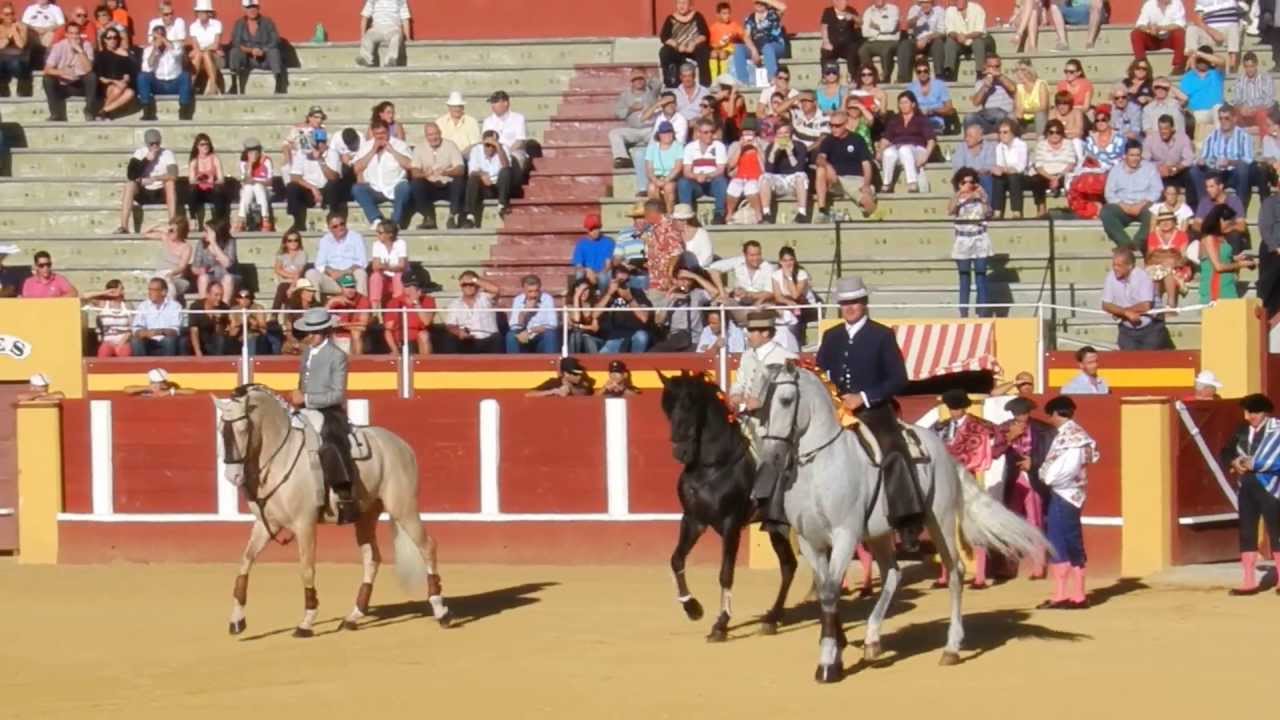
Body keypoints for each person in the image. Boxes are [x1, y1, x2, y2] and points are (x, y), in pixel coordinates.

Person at [816, 276, 922, 543]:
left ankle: (906, 519)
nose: (850, 307)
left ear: (864, 303)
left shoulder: (881, 334)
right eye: (845, 303)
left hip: (874, 411)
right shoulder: (831, 336)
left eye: (855, 302)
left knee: (894, 451)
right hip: (836, 411)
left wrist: (863, 397)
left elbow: (899, 378)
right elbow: (819, 373)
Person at [288, 308, 358, 523]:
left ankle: (345, 497)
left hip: (329, 412)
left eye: (315, 332)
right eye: (309, 332)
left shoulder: (337, 356)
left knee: (332, 442)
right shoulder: (307, 352)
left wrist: (306, 399)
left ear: (325, 332)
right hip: (303, 409)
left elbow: (337, 394)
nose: (310, 336)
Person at [730, 311, 797, 528]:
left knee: (770, 459)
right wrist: (735, 395)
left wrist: (763, 402)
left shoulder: (786, 357)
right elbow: (739, 383)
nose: (748, 335)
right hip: (745, 419)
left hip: (772, 424)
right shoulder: (748, 355)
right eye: (749, 330)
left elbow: (790, 396)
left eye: (752, 331)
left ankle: (763, 503)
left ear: (766, 333)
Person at [932, 388, 997, 588]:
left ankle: (980, 575)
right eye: (951, 408)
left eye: (957, 408)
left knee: (974, 526)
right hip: (944, 481)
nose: (954, 412)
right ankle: (945, 573)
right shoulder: (940, 427)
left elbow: (997, 441)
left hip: (968, 480)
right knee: (943, 526)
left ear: (965, 407)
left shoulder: (979, 426)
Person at [1038, 395, 1097, 610]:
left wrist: (1048, 478)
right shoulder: (1071, 435)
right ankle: (1062, 594)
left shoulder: (1074, 438)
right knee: (1058, 541)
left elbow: (1067, 469)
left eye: (1051, 415)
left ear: (1055, 414)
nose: (1050, 419)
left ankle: (1078, 596)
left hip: (1067, 494)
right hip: (1065, 494)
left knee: (1069, 541)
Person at [1221, 394, 1280, 594]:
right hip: (1246, 485)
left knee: (1277, 531)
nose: (1248, 416)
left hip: (1272, 485)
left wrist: (1258, 464)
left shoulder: (1277, 429)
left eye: (1253, 412)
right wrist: (1234, 462)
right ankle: (1248, 580)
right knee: (1247, 531)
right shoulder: (1242, 430)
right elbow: (1226, 451)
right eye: (1246, 412)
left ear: (1264, 412)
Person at [992, 396, 1055, 579]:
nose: (1022, 416)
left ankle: (1039, 565)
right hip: (1014, 478)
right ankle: (1010, 565)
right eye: (1018, 413)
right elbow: (995, 453)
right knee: (1012, 521)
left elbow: (1051, 455)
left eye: (1025, 412)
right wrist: (1010, 438)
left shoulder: (1043, 429)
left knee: (1035, 521)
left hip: (1034, 477)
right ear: (1012, 414)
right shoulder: (1004, 428)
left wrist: (1033, 462)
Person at [1101, 246, 1170, 350]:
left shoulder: (1143, 277)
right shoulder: (1110, 277)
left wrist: (1121, 312)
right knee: (1128, 362)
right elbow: (1106, 304)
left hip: (1151, 328)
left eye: (1119, 265)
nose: (1115, 268)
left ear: (1130, 266)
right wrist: (1125, 313)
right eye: (1114, 265)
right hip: (1126, 329)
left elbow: (1145, 306)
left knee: (1150, 362)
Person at [814, 109, 877, 220]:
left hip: (855, 179)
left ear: (846, 124)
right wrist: (828, 166)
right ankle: (822, 211)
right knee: (821, 169)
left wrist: (866, 185)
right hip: (836, 181)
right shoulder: (828, 140)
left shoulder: (857, 139)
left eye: (837, 126)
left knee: (868, 203)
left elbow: (866, 164)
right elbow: (820, 158)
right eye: (831, 125)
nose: (833, 128)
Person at [1192, 104, 1256, 210]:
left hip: (1235, 173)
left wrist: (1230, 162)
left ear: (1234, 119)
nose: (1223, 121)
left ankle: (1240, 210)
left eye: (1227, 118)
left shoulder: (1244, 136)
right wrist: (1201, 161)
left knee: (1243, 168)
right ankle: (1205, 208)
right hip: (1216, 173)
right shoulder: (1212, 136)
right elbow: (1205, 156)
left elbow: (1248, 159)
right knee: (1194, 170)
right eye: (1220, 118)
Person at [352, 120, 413, 231]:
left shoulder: (399, 145)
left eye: (383, 133)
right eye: (377, 134)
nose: (380, 136)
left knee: (405, 187)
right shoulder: (367, 146)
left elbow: (409, 165)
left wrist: (393, 151)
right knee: (357, 189)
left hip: (395, 186)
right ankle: (376, 219)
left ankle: (395, 222)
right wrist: (373, 151)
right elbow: (356, 169)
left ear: (388, 131)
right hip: (375, 188)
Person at [1101, 140, 1163, 248]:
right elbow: (1109, 193)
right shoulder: (1116, 170)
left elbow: (1157, 189)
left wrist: (1141, 204)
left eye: (1138, 155)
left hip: (1143, 206)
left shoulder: (1150, 168)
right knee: (1106, 212)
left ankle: (1138, 242)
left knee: (1154, 211)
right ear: (1125, 156)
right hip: (1122, 206)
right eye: (1132, 155)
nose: (1135, 158)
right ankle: (1125, 243)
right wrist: (1124, 206)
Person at [116, 128, 177, 234]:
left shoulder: (167, 153)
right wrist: (146, 161)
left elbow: (173, 174)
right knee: (129, 185)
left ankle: (172, 223)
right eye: (152, 144)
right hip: (144, 191)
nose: (155, 146)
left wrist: (156, 178)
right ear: (147, 143)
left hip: (160, 191)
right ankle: (124, 226)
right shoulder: (140, 153)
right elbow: (131, 175)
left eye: (157, 143)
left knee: (170, 183)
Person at [949, 167, 992, 318]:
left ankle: (983, 312)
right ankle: (963, 312)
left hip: (979, 238)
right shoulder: (957, 198)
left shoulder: (981, 197)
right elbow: (950, 210)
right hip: (963, 239)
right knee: (964, 277)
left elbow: (988, 213)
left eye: (971, 182)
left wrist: (983, 197)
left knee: (981, 275)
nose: (968, 185)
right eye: (964, 182)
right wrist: (960, 194)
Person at [408, 122, 465, 230]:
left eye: (435, 134)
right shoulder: (419, 148)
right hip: (430, 185)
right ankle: (428, 217)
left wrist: (446, 172)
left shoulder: (450, 145)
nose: (433, 137)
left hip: (448, 184)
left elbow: (461, 168)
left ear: (440, 133)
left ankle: (452, 216)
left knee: (459, 180)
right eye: (430, 135)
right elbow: (414, 172)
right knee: (416, 183)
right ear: (426, 136)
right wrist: (425, 174)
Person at [284, 128, 342, 233]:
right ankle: (297, 221)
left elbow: (333, 177)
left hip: (326, 189)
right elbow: (294, 176)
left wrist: (321, 160)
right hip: (309, 190)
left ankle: (333, 217)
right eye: (317, 143)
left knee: (334, 185)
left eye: (322, 142)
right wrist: (312, 188)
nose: (319, 145)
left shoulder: (332, 153)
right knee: (292, 187)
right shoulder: (303, 153)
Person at [880, 91, 936, 194]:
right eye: (901, 103)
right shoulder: (895, 120)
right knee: (888, 152)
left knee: (905, 149)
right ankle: (886, 183)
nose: (903, 105)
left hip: (917, 149)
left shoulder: (921, 119)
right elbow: (886, 139)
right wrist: (880, 152)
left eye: (906, 102)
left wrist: (926, 156)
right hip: (898, 148)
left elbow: (931, 140)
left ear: (913, 104)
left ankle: (912, 183)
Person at [42, 20, 98, 121]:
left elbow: (88, 69)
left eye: (77, 33)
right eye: (71, 33)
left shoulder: (86, 45)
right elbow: (47, 69)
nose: (74, 36)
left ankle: (89, 110)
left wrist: (79, 50)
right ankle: (56, 114)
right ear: (66, 34)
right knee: (47, 79)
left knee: (92, 76)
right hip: (63, 84)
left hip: (79, 84)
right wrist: (62, 72)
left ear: (80, 34)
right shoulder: (59, 46)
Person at [1199, 204, 1256, 303]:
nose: (1232, 226)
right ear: (1220, 220)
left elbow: (1222, 256)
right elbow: (1218, 266)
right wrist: (1240, 265)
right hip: (1215, 290)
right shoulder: (1209, 239)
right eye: (1229, 223)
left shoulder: (1222, 238)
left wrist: (1235, 258)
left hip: (1228, 285)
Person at [305, 213, 369, 297]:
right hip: (332, 279)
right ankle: (317, 307)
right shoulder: (325, 240)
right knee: (311, 273)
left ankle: (362, 308)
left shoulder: (356, 237)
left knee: (361, 273)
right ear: (329, 228)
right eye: (335, 226)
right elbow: (319, 264)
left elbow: (362, 262)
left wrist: (343, 273)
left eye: (342, 224)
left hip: (351, 276)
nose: (340, 228)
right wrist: (330, 271)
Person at [678, 119, 728, 224]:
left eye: (711, 132)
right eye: (706, 132)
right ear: (698, 133)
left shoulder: (719, 146)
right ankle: (686, 213)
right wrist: (696, 177)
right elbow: (686, 171)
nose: (709, 135)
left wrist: (706, 175)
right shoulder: (690, 147)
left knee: (721, 181)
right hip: (697, 183)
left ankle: (719, 213)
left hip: (712, 181)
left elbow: (720, 169)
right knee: (683, 182)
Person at [228, 0, 283, 95]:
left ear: (258, 8)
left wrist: (263, 50)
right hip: (247, 59)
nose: (252, 10)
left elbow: (275, 40)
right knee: (234, 51)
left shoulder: (267, 22)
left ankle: (278, 85)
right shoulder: (239, 24)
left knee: (274, 51)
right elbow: (235, 42)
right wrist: (250, 50)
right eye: (249, 8)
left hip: (265, 58)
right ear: (244, 9)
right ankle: (233, 85)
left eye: (254, 7)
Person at [136, 23, 190, 120]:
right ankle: (147, 111)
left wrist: (164, 41)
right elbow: (147, 67)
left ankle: (184, 110)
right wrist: (155, 49)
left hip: (174, 83)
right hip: (158, 84)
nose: (160, 38)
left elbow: (177, 54)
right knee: (142, 76)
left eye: (162, 35)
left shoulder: (175, 46)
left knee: (185, 76)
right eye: (157, 35)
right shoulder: (148, 50)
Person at [441, 272, 503, 354]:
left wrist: (474, 279)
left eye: (471, 284)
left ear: (477, 285)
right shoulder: (455, 303)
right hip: (468, 340)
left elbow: (496, 289)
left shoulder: (485, 297)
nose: (468, 287)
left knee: (497, 338)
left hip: (489, 339)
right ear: (461, 287)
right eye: (464, 284)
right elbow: (450, 325)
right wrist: (459, 332)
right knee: (449, 338)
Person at [596, 264, 653, 353]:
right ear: (613, 281)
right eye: (620, 281)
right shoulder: (608, 295)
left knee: (642, 337)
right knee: (604, 355)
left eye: (627, 281)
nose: (624, 285)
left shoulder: (637, 293)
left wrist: (630, 300)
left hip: (636, 331)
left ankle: (637, 364)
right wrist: (609, 294)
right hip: (616, 333)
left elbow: (644, 318)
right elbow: (595, 315)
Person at [610, 70, 661, 170]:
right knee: (614, 133)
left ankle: (653, 160)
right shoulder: (625, 95)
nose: (639, 82)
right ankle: (623, 159)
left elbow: (658, 83)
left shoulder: (651, 92)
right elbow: (618, 113)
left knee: (657, 133)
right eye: (636, 79)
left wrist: (647, 76)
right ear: (632, 82)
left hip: (649, 129)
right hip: (633, 130)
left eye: (641, 79)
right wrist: (631, 109)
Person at [1143, 114, 1197, 209]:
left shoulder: (1182, 137)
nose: (1163, 131)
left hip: (1177, 172)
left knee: (1192, 174)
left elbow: (1189, 159)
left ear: (1172, 128)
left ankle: (1193, 209)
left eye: (1166, 128)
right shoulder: (1151, 139)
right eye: (1161, 128)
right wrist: (1158, 168)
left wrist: (1176, 168)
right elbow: (1144, 161)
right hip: (1159, 174)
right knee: (1149, 176)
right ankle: (1157, 210)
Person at [761, 123, 810, 224]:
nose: (783, 136)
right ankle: (766, 214)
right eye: (780, 134)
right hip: (779, 181)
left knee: (801, 176)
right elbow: (768, 169)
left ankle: (802, 213)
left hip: (794, 181)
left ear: (791, 134)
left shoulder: (800, 146)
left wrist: (790, 153)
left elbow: (799, 169)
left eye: (786, 133)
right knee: (764, 177)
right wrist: (774, 151)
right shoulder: (771, 147)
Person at [463, 129, 512, 229]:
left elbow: (506, 166)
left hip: (499, 186)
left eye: (493, 145)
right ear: (483, 143)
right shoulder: (476, 150)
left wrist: (498, 147)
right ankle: (470, 216)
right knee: (473, 178)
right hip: (484, 186)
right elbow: (472, 171)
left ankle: (502, 206)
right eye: (487, 145)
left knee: (506, 171)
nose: (490, 148)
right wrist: (482, 174)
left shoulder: (503, 149)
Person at [1029, 119, 1078, 217]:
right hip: (1045, 174)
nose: (1055, 135)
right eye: (1051, 132)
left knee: (1071, 179)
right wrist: (1052, 178)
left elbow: (1071, 163)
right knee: (1036, 179)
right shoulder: (1041, 145)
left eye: (1058, 132)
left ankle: (1073, 208)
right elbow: (1039, 166)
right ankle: (1041, 209)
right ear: (1047, 133)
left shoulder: (1068, 143)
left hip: (1063, 174)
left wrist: (1058, 177)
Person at [1146, 209, 1193, 308]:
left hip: (1178, 268)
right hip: (1157, 267)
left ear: (1174, 221)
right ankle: (1157, 303)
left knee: (1167, 270)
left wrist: (1168, 261)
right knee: (1157, 271)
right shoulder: (1153, 236)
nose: (1165, 223)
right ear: (1158, 223)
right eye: (1162, 221)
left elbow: (1183, 258)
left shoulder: (1181, 235)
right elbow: (1150, 257)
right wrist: (1167, 259)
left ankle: (1171, 304)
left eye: (1168, 220)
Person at [658, 0, 711, 88]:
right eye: (679, 3)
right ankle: (670, 83)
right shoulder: (670, 18)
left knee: (703, 50)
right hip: (678, 48)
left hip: (694, 48)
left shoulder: (697, 16)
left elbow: (704, 34)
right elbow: (664, 37)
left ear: (690, 5)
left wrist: (693, 43)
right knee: (664, 52)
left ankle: (705, 84)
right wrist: (677, 45)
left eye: (684, 3)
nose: (681, 6)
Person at [734, 0, 788, 86]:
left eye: (761, 2)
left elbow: (783, 7)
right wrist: (753, 51)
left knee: (767, 47)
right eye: (757, 2)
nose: (759, 4)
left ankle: (772, 79)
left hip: (775, 45)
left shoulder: (773, 14)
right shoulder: (750, 18)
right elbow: (746, 36)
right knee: (738, 48)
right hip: (758, 47)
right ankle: (743, 81)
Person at [724, 117, 766, 222]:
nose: (747, 135)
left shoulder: (763, 144)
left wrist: (758, 148)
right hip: (740, 175)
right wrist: (740, 148)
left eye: (750, 132)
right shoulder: (735, 145)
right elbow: (731, 165)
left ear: (755, 133)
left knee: (751, 186)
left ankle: (758, 213)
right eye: (745, 132)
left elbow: (767, 165)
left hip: (757, 176)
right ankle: (729, 213)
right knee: (733, 186)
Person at [772, 245, 814, 347]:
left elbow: (795, 295)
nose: (788, 263)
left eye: (790, 260)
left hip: (804, 306)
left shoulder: (801, 273)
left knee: (793, 320)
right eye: (785, 260)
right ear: (780, 262)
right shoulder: (776, 275)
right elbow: (778, 296)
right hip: (788, 306)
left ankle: (797, 346)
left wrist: (789, 277)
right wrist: (789, 302)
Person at [383, 275, 436, 355]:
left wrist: (416, 303)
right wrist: (395, 350)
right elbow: (388, 330)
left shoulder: (428, 300)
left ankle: (426, 366)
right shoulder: (394, 303)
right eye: (407, 286)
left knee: (424, 335)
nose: (411, 289)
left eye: (414, 286)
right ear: (403, 287)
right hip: (400, 340)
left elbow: (426, 322)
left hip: (419, 340)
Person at [506, 275, 559, 354]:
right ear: (524, 290)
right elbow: (514, 326)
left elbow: (553, 325)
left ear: (540, 288)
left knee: (550, 334)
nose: (533, 295)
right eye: (530, 291)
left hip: (541, 336)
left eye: (536, 291)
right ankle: (514, 365)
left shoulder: (547, 298)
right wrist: (525, 312)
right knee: (511, 336)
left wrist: (530, 330)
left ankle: (550, 363)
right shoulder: (518, 300)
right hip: (524, 337)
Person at [943, 0, 993, 82]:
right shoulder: (950, 11)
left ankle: (980, 71)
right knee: (950, 41)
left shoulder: (977, 9)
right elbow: (950, 30)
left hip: (976, 39)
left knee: (978, 42)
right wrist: (958, 36)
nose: (958, 1)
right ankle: (949, 70)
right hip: (959, 42)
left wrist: (966, 36)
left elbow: (979, 31)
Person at [896, 0, 944, 84]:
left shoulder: (939, 10)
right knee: (905, 44)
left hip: (932, 40)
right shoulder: (914, 9)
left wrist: (927, 38)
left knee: (938, 43)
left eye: (927, 2)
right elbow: (908, 25)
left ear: (932, 3)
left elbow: (942, 32)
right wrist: (917, 17)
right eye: (923, 3)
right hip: (916, 41)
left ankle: (939, 76)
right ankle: (903, 78)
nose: (925, 5)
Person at [1181, 45, 1226, 134]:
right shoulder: (1189, 77)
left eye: (1205, 60)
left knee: (1218, 108)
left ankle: (1220, 141)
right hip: (1196, 113)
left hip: (1214, 112)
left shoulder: (1216, 74)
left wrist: (1199, 54)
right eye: (1199, 60)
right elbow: (1183, 98)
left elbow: (1222, 62)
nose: (1202, 63)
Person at [1132, 0, 1187, 73]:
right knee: (1136, 33)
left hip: (1170, 38)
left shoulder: (1177, 3)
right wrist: (1149, 30)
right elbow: (1140, 24)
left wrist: (1160, 28)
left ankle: (1178, 66)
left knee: (1180, 32)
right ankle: (1142, 64)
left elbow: (1180, 24)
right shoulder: (1149, 4)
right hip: (1153, 39)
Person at [130, 277, 181, 356]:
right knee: (136, 341)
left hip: (165, 337)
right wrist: (145, 333)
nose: (150, 292)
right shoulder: (143, 306)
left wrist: (158, 332)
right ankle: (141, 367)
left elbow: (175, 330)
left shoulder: (175, 306)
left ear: (164, 292)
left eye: (153, 290)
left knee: (169, 341)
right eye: (149, 289)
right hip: (147, 338)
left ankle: (168, 367)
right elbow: (136, 328)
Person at [1188, 0, 1243, 72]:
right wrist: (1212, 31)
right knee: (1191, 29)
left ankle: (1232, 65)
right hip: (1210, 31)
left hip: (1229, 29)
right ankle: (1193, 67)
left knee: (1234, 26)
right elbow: (1198, 20)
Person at [967, 53, 1015, 134]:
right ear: (985, 67)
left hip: (1005, 116)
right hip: (987, 118)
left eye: (997, 66)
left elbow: (1013, 88)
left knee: (999, 113)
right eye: (991, 66)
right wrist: (984, 87)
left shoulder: (1006, 80)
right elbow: (976, 103)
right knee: (969, 118)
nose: (994, 69)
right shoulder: (981, 82)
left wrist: (999, 76)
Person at [990, 118, 1028, 219]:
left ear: (1013, 133)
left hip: (1023, 176)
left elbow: (1021, 167)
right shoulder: (999, 147)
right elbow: (1000, 164)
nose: (1002, 135)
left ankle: (1016, 211)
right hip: (1007, 174)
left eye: (1005, 132)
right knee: (997, 178)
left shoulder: (1021, 145)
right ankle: (997, 211)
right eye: (1000, 132)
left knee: (1014, 177)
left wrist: (1005, 169)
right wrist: (997, 169)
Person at [186, 134, 228, 226]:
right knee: (191, 190)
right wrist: (199, 180)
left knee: (218, 191)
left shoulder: (215, 158)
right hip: (199, 191)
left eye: (207, 144)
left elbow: (221, 179)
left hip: (211, 190)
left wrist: (211, 181)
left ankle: (219, 220)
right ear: (197, 146)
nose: (205, 146)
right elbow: (191, 180)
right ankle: (193, 218)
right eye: (202, 144)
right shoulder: (194, 160)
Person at [234, 137, 273, 232]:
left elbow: (270, 181)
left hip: (265, 190)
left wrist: (257, 182)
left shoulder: (267, 161)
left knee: (257, 186)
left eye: (255, 151)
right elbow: (245, 181)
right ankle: (242, 219)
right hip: (248, 191)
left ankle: (264, 219)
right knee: (248, 187)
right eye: (250, 152)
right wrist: (250, 165)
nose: (253, 154)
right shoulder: (244, 162)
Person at [645, 120, 685, 213]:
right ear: (659, 135)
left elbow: (677, 167)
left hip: (672, 177)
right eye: (664, 132)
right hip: (657, 176)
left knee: (669, 188)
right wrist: (655, 180)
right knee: (651, 188)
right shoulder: (652, 148)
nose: (667, 134)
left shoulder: (678, 146)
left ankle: (669, 215)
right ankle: (656, 215)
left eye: (669, 132)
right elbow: (649, 168)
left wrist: (666, 180)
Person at [907, 59, 956, 134]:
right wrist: (918, 112)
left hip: (936, 121)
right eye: (919, 72)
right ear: (916, 73)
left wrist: (933, 111)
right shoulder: (911, 88)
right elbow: (906, 108)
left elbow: (949, 109)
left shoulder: (940, 85)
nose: (922, 73)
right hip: (918, 120)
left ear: (929, 71)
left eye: (925, 71)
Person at [368, 220, 406, 312]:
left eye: (380, 232)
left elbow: (402, 266)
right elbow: (375, 266)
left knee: (398, 276)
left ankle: (398, 306)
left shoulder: (401, 243)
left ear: (390, 234)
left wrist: (385, 266)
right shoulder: (376, 244)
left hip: (398, 275)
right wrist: (391, 267)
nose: (377, 234)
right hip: (384, 277)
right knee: (375, 277)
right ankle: (374, 311)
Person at [858, 0, 900, 83]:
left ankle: (885, 78)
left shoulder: (893, 9)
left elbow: (892, 27)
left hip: (890, 41)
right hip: (874, 40)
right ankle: (872, 76)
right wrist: (882, 28)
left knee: (886, 51)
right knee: (862, 50)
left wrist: (876, 26)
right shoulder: (868, 11)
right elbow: (865, 32)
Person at [358, 0, 409, 67]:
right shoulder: (372, 1)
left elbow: (405, 18)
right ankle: (365, 58)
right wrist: (362, 36)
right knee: (368, 35)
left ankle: (390, 60)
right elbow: (365, 17)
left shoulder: (400, 1)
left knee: (397, 36)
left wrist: (408, 37)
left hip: (393, 28)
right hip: (377, 28)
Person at [952, 122, 995, 198]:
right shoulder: (961, 147)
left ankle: (988, 207)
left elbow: (989, 166)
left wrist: (976, 172)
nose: (966, 138)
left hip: (983, 177)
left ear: (979, 138)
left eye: (970, 136)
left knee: (986, 179)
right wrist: (972, 174)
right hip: (965, 177)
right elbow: (958, 167)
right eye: (966, 136)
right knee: (963, 180)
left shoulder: (989, 147)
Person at [188, 0, 223, 96]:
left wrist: (203, 50)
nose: (200, 14)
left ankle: (211, 83)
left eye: (202, 11)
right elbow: (195, 46)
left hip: (214, 56)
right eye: (198, 12)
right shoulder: (193, 26)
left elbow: (215, 45)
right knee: (200, 54)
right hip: (200, 56)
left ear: (209, 13)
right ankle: (191, 83)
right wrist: (203, 50)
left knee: (205, 54)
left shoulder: (217, 24)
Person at [187, 282, 232, 356]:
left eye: (221, 295)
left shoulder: (224, 308)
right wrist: (198, 352)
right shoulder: (196, 306)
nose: (219, 298)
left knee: (221, 340)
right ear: (208, 294)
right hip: (200, 339)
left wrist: (218, 321)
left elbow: (220, 333)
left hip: (214, 340)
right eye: (216, 295)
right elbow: (194, 330)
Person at [819, 0, 861, 78]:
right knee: (825, 51)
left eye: (845, 1)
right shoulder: (828, 11)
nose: (844, 3)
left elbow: (860, 22)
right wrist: (826, 42)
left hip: (848, 45)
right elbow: (824, 27)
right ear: (835, 2)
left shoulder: (850, 10)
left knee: (854, 51)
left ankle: (854, 77)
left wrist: (853, 17)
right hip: (834, 44)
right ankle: (826, 76)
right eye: (841, 1)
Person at [572, 213, 616, 287]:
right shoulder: (581, 244)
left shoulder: (609, 242)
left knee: (603, 277)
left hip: (603, 273)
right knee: (579, 274)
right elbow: (578, 265)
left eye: (597, 228)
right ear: (587, 230)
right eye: (592, 229)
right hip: (588, 273)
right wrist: (587, 270)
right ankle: (580, 297)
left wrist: (597, 275)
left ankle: (604, 298)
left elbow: (608, 265)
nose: (595, 231)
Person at [91, 279, 132, 357]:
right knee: (103, 353)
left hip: (123, 341)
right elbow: (86, 297)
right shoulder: (103, 304)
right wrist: (105, 293)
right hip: (107, 342)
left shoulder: (127, 305)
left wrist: (121, 343)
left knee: (124, 354)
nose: (123, 291)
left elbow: (132, 327)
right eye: (121, 288)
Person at [1258, 180, 1280, 318]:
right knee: (1268, 290)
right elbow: (1265, 228)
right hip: (1273, 250)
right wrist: (1276, 247)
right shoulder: (1270, 203)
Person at [0, 2, 30, 98]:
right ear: (1, 15)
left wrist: (14, 31)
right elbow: (1, 45)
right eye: (7, 14)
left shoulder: (22, 27)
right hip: (2, 60)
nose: (10, 16)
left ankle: (19, 91)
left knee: (15, 63)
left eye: (12, 14)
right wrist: (9, 37)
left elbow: (21, 45)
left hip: (17, 60)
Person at [271, 230, 306, 311]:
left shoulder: (302, 254)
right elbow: (278, 269)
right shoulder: (281, 254)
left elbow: (299, 272)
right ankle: (274, 316)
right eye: (290, 241)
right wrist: (293, 275)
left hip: (297, 282)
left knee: (292, 293)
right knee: (282, 288)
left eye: (295, 240)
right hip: (285, 282)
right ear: (285, 242)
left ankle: (290, 319)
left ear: (299, 242)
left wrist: (292, 287)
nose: (293, 243)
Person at [528, 356, 596, 397]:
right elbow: (529, 395)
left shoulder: (583, 378)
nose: (579, 376)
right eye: (575, 374)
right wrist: (553, 391)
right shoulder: (554, 382)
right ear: (566, 374)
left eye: (579, 372)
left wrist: (570, 389)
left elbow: (587, 392)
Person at [1013, 59, 1049, 135]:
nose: (1019, 73)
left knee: (1040, 115)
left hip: (1038, 120)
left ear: (1030, 70)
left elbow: (1043, 107)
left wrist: (1026, 110)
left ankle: (1041, 142)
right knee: (1011, 116)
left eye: (1023, 70)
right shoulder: (1019, 87)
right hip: (1024, 121)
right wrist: (1020, 113)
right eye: (1017, 70)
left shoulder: (1040, 85)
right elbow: (1018, 108)